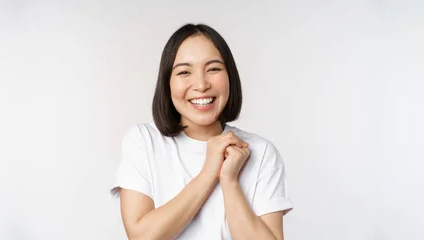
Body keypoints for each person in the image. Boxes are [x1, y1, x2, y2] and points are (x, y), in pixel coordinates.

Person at [110, 23, 293, 240]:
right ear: (167, 83)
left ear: (230, 76)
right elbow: (142, 237)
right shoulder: (143, 141)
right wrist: (209, 172)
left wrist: (230, 181)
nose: (201, 84)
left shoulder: (260, 152)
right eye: (184, 72)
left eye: (213, 69)